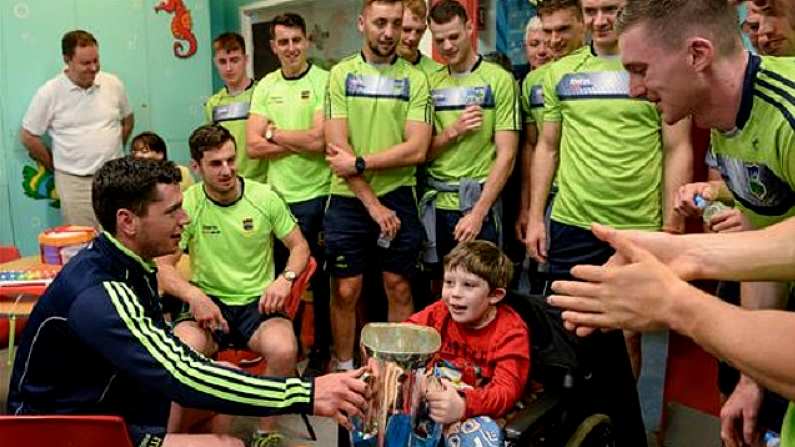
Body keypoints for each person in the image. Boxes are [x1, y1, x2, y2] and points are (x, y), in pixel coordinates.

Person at [546, 0, 795, 445]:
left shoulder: (787, 113)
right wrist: (752, 376)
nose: (633, 90)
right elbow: (768, 250)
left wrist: (677, 300)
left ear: (697, 56)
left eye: (641, 69)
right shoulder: (727, 116)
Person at [7, 157, 368, 447]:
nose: (186, 218)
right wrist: (307, 392)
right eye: (173, 211)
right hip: (66, 429)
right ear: (127, 222)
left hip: (110, 403)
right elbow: (179, 374)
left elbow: (167, 357)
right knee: (227, 442)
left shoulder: (127, 263)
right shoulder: (100, 292)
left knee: (220, 386)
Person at [524, 0, 693, 442]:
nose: (600, 21)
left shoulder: (657, 66)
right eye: (592, 10)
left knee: (628, 337)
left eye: (611, 9)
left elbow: (678, 148)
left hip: (636, 229)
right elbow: (547, 147)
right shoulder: (561, 72)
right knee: (571, 332)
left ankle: (618, 425)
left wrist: (670, 230)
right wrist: (537, 217)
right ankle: (577, 424)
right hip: (572, 222)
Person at [155, 124, 309, 446]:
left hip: (258, 302)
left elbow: (299, 247)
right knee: (179, 352)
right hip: (210, 304)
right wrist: (193, 294)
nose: (226, 170)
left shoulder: (263, 197)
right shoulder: (188, 204)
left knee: (285, 349)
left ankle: (266, 434)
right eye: (215, 164)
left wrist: (286, 279)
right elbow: (163, 267)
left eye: (230, 160)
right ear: (196, 167)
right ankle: (171, 438)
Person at [323, 0, 432, 371]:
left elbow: (416, 148)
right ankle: (343, 368)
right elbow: (336, 149)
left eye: (396, 24)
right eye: (380, 23)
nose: (388, 32)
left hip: (399, 195)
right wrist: (371, 203)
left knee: (398, 286)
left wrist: (360, 162)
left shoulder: (416, 79)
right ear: (361, 23)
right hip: (348, 196)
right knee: (346, 289)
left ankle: (398, 374)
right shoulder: (340, 74)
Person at [245, 12, 332, 376]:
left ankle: (322, 352)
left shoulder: (325, 80)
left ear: (307, 41)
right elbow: (251, 146)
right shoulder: (265, 86)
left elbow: (320, 140)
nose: (291, 48)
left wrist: (275, 135)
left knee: (323, 282)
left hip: (320, 195)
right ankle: (289, 351)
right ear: (273, 46)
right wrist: (299, 141)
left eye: (297, 40)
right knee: (284, 281)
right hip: (278, 200)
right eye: (284, 42)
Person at [421, 0, 520, 270]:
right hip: (438, 203)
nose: (448, 46)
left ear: (469, 27)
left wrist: (478, 212)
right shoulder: (430, 83)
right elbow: (422, 152)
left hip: (479, 202)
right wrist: (454, 131)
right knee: (444, 286)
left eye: (454, 36)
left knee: (484, 284)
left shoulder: (499, 80)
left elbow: (507, 154)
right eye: (440, 40)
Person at [407, 240, 530, 446]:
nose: (455, 293)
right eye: (449, 283)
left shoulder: (511, 332)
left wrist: (463, 405)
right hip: (435, 398)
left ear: (495, 295)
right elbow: (405, 335)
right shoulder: (439, 312)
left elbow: (505, 392)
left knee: (478, 437)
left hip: (484, 411)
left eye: (468, 285)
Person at [20, 29, 134, 227]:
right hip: (74, 183)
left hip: (114, 179)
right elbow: (28, 136)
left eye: (96, 60)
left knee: (120, 235)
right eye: (86, 63)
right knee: (82, 241)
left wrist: (113, 148)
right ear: (67, 60)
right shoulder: (49, 92)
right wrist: (54, 164)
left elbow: (128, 120)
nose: (93, 67)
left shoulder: (113, 84)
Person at [516, 4, 583, 244]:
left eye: (562, 30)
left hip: (590, 194)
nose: (553, 41)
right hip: (551, 196)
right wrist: (528, 209)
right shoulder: (533, 82)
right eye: (548, 32)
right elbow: (533, 147)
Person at [205, 33, 267, 182]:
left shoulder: (263, 93)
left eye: (234, 60)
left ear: (245, 60)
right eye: (222, 61)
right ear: (215, 63)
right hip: (228, 181)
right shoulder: (213, 103)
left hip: (261, 181)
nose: (228, 68)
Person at [396, 0, 443, 76]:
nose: (413, 38)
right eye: (407, 30)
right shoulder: (374, 67)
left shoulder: (437, 73)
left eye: (418, 31)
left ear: (424, 30)